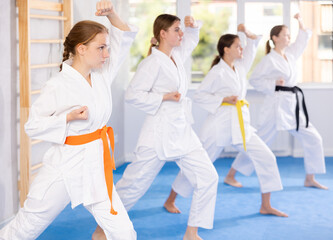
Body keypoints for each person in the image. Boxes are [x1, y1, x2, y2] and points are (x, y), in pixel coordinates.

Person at [0, 1, 137, 239]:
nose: (107, 54)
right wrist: (67, 117)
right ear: (82, 49)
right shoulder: (57, 86)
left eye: (107, 48)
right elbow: (32, 126)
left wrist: (112, 13)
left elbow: (124, 37)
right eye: (101, 48)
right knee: (25, 228)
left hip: (96, 166)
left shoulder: (102, 74)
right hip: (64, 168)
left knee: (125, 233)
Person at [164, 24, 288, 218]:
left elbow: (253, 45)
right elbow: (199, 96)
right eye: (238, 46)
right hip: (219, 125)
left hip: (241, 125)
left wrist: (247, 34)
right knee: (199, 164)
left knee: (267, 157)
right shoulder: (217, 72)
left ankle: (266, 205)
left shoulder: (239, 67)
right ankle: (170, 199)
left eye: (241, 46)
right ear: (226, 49)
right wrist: (222, 99)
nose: (242, 50)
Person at [114, 14, 218, 240]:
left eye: (181, 30)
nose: (181, 34)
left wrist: (194, 26)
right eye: (177, 30)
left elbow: (191, 39)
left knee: (208, 177)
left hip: (182, 130)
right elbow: (132, 95)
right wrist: (163, 97)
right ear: (163, 34)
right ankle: (104, 228)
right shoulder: (152, 62)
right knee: (134, 184)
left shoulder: (176, 56)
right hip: (158, 132)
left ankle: (192, 233)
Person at [226, 13, 327, 190]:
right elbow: (255, 80)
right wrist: (274, 83)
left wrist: (300, 21)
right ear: (275, 38)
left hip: (293, 104)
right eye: (286, 35)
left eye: (289, 35)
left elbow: (302, 40)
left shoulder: (290, 54)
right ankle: (231, 175)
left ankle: (310, 177)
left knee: (313, 137)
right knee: (260, 142)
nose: (289, 38)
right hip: (276, 105)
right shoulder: (269, 59)